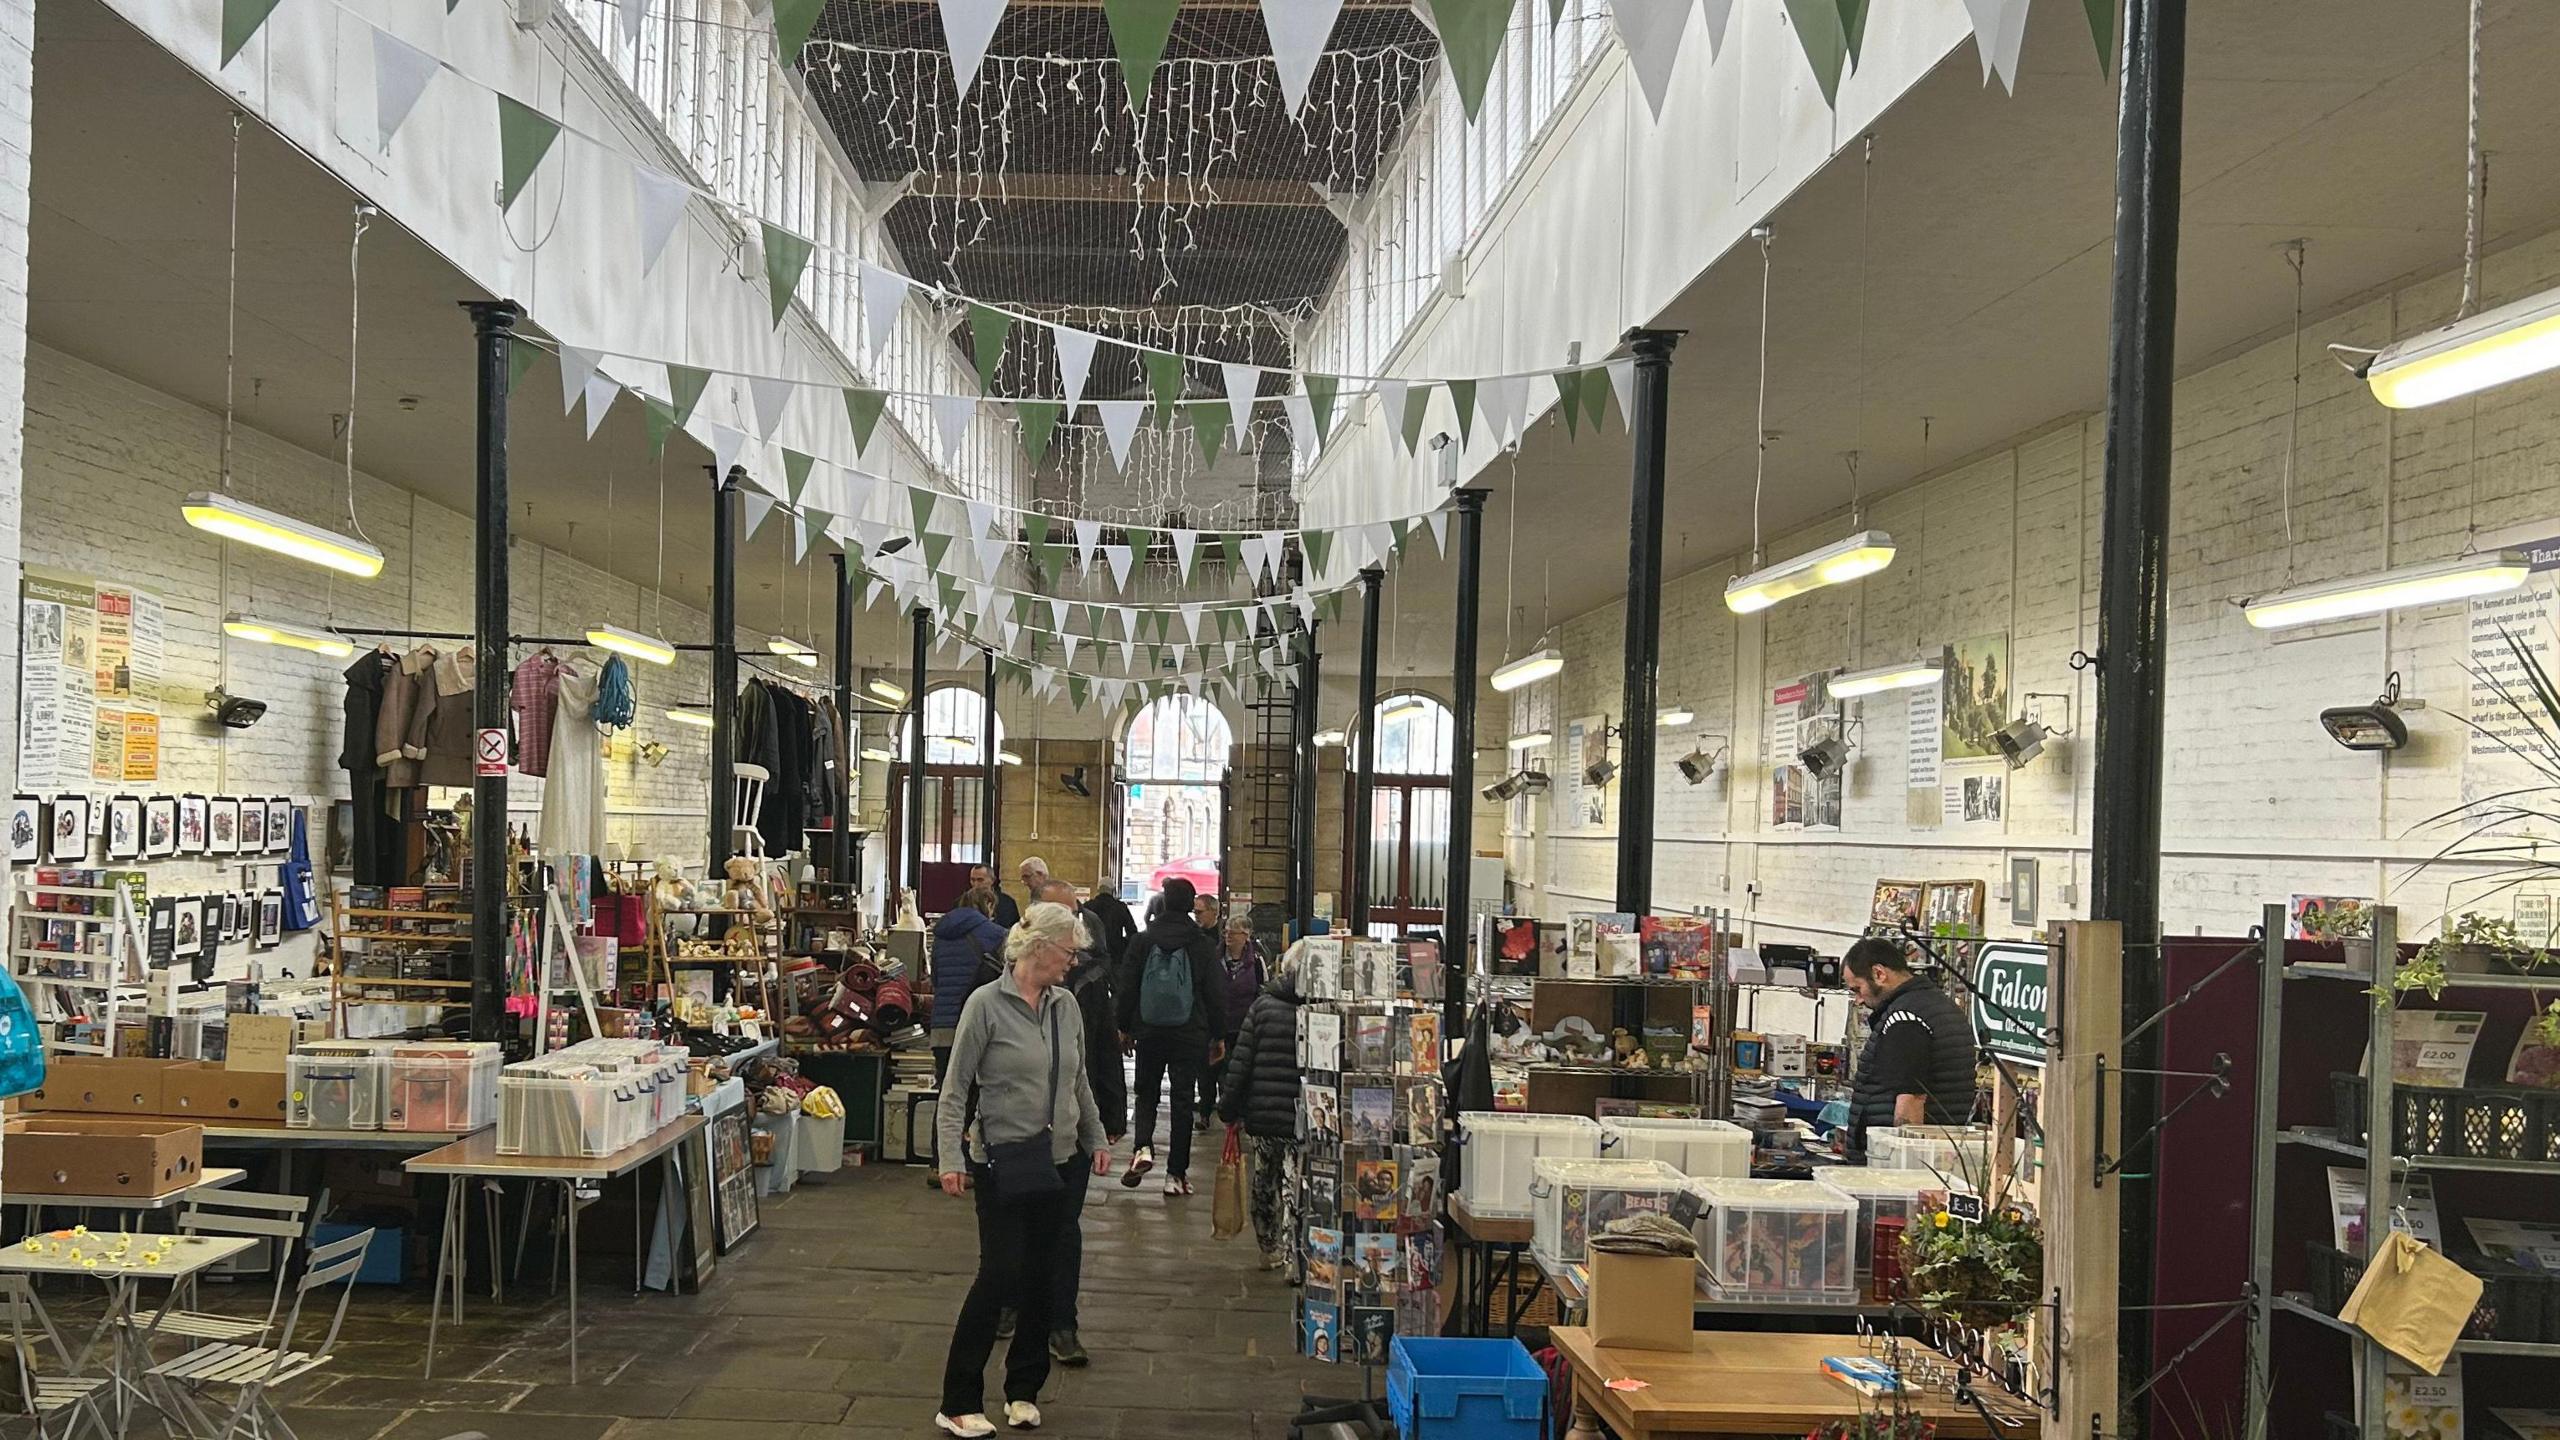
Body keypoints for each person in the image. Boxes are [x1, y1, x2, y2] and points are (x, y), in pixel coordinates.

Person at [933, 904, 1112, 1439]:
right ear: (1041, 948)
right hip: (1001, 1162)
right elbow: (956, 1089)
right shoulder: (984, 1006)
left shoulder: (1066, 1007)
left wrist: (1095, 1138)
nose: (1072, 961)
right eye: (1068, 951)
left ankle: (1022, 1391)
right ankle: (959, 1399)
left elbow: (1078, 1081)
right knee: (999, 1276)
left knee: (1042, 1276)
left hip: (1060, 1161)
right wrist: (948, 1158)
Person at [1035, 878, 1121, 1367]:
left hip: (1071, 1133)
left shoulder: (1085, 983)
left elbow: (1099, 1056)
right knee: (1019, 1232)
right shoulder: (994, 991)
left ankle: (1062, 1325)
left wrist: (1110, 1119)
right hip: (1016, 1140)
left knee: (1065, 1230)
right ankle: (1012, 1304)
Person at [1114, 875, 1225, 1194]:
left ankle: (1143, 1149)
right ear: (1190, 905)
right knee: (1181, 1099)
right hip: (1189, 1031)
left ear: (1162, 903)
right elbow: (1215, 994)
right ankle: (1175, 1175)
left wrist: (1125, 1027)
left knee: (1146, 1093)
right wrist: (1218, 1036)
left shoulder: (1143, 941)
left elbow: (1127, 986)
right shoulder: (1202, 945)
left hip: (1150, 1030)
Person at [1840, 937, 1980, 1162]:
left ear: (1879, 974)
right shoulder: (1937, 1005)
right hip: (1940, 1148)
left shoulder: (1904, 1018)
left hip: (1896, 1162)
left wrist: (1903, 1166)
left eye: (1857, 989)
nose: (1857, 1000)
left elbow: (1910, 1100)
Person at [1217, 941, 1304, 1272]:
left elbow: (1241, 1062)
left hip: (1265, 1115)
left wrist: (1229, 1108)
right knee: (1297, 1182)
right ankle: (1296, 1250)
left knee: (1265, 1179)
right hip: (1302, 1116)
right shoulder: (1323, 1009)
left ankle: (1268, 1246)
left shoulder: (1264, 1006)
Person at [930, 885, 1010, 1082]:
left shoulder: (941, 934)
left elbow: (936, 978)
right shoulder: (997, 934)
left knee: (946, 1089)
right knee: (975, 1093)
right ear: (989, 904)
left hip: (943, 1024)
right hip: (980, 1022)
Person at [1200, 912, 1263, 1124]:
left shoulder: (1256, 960)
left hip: (1243, 1025)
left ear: (1246, 936)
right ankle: (1205, 1111)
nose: (1228, 936)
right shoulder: (1213, 957)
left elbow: (1262, 991)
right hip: (1216, 1022)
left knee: (1237, 1071)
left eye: (1233, 932)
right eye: (1226, 931)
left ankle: (1234, 1111)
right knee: (1209, 1070)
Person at [1080, 861, 1138, 961]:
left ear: (1098, 889)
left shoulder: (1088, 906)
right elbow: (1132, 931)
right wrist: (1124, 946)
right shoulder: (1120, 907)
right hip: (1115, 955)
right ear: (1113, 890)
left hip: (1092, 954)